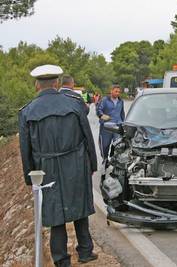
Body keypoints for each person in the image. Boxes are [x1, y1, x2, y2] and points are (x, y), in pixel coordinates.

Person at [18, 65, 98, 267]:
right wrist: (92, 164)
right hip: (76, 162)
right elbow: (88, 137)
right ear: (56, 83)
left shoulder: (27, 111)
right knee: (80, 207)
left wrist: (30, 177)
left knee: (55, 214)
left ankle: (62, 260)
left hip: (46, 167)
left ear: (37, 85)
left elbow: (25, 149)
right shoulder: (74, 104)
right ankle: (86, 252)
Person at [96, 85, 125, 161]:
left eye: (119, 92)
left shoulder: (121, 101)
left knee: (118, 145)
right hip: (106, 127)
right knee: (104, 145)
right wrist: (102, 115)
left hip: (117, 127)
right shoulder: (105, 100)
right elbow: (99, 110)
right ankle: (105, 159)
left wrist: (124, 124)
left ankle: (114, 160)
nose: (118, 93)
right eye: (116, 91)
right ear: (111, 91)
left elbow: (122, 114)